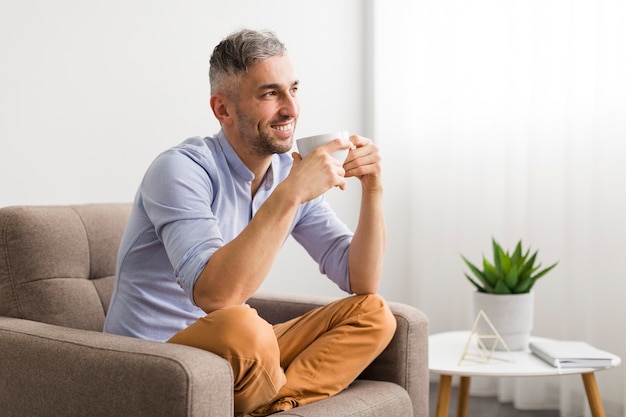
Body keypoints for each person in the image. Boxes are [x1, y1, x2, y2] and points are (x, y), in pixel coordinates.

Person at [104, 28, 396, 416]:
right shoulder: (180, 169)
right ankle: (270, 394)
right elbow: (216, 297)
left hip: (236, 351)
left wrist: (373, 189)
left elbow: (360, 279)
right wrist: (291, 194)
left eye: (293, 89)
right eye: (270, 94)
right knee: (243, 325)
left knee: (373, 313)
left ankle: (276, 403)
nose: (291, 108)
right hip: (156, 358)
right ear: (222, 109)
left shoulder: (283, 172)